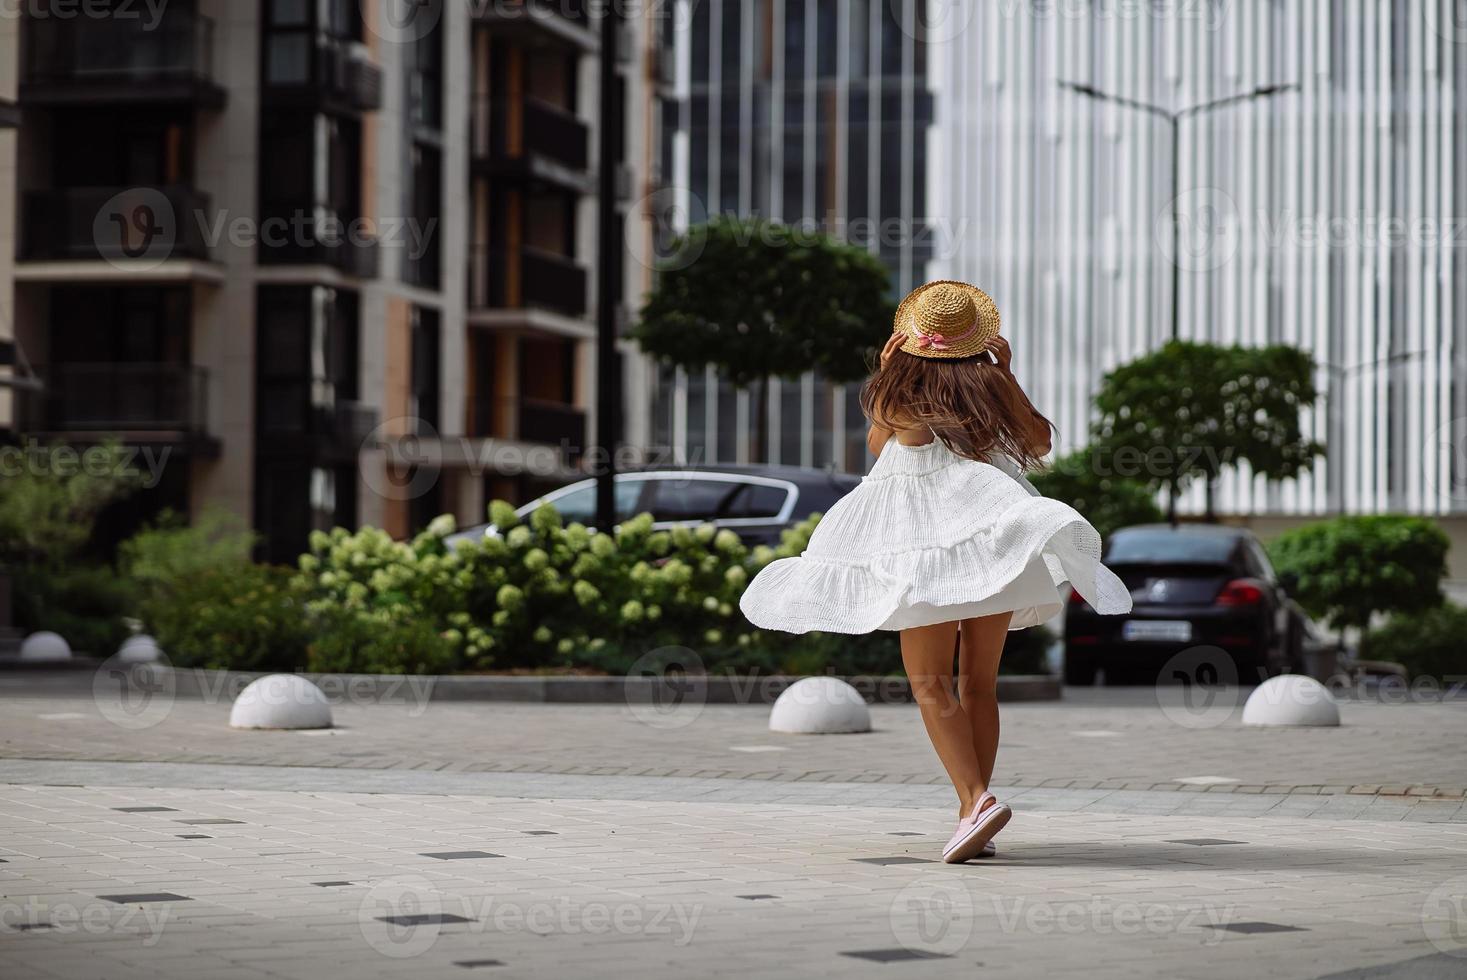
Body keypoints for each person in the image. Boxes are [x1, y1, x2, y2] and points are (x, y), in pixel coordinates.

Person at [740, 280, 1132, 863]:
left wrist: (886, 370)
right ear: (976, 340)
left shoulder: (900, 392)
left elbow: (881, 444)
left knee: (929, 683)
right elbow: (1039, 442)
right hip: (992, 537)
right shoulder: (989, 387)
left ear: (914, 338)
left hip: (922, 549)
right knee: (979, 683)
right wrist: (1006, 374)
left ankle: (975, 802)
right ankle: (970, 811)